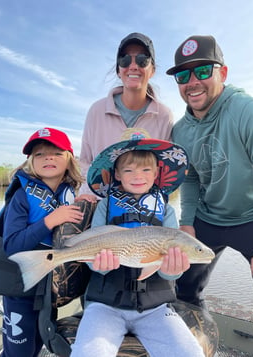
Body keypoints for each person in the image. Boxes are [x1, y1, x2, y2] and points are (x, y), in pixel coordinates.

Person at [70, 130, 205, 357]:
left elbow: (170, 273)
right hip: (104, 306)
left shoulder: (167, 211)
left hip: (156, 308)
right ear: (118, 175)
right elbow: (92, 250)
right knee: (89, 352)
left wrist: (173, 271)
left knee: (190, 352)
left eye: (145, 169)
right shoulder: (105, 206)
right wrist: (98, 265)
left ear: (156, 174)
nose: (137, 175)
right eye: (128, 170)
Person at [167, 35, 253, 326]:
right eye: (183, 75)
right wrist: (187, 222)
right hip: (208, 218)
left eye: (203, 71)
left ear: (223, 72)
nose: (193, 81)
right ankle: (193, 338)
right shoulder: (180, 131)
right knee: (181, 288)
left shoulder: (248, 111)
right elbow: (191, 178)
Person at [0, 127, 84, 357]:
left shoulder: (71, 194)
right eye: (40, 154)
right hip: (20, 289)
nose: (48, 157)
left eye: (57, 152)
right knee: (19, 352)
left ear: (69, 160)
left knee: (38, 344)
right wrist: (50, 220)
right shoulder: (21, 195)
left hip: (48, 289)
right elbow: (13, 245)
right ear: (31, 162)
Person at [77, 32, 174, 197]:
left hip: (143, 206)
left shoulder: (164, 115)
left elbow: (164, 169)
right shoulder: (96, 110)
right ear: (118, 70)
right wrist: (91, 195)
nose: (133, 66)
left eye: (142, 59)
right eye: (125, 60)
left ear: (152, 70)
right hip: (96, 201)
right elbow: (85, 162)